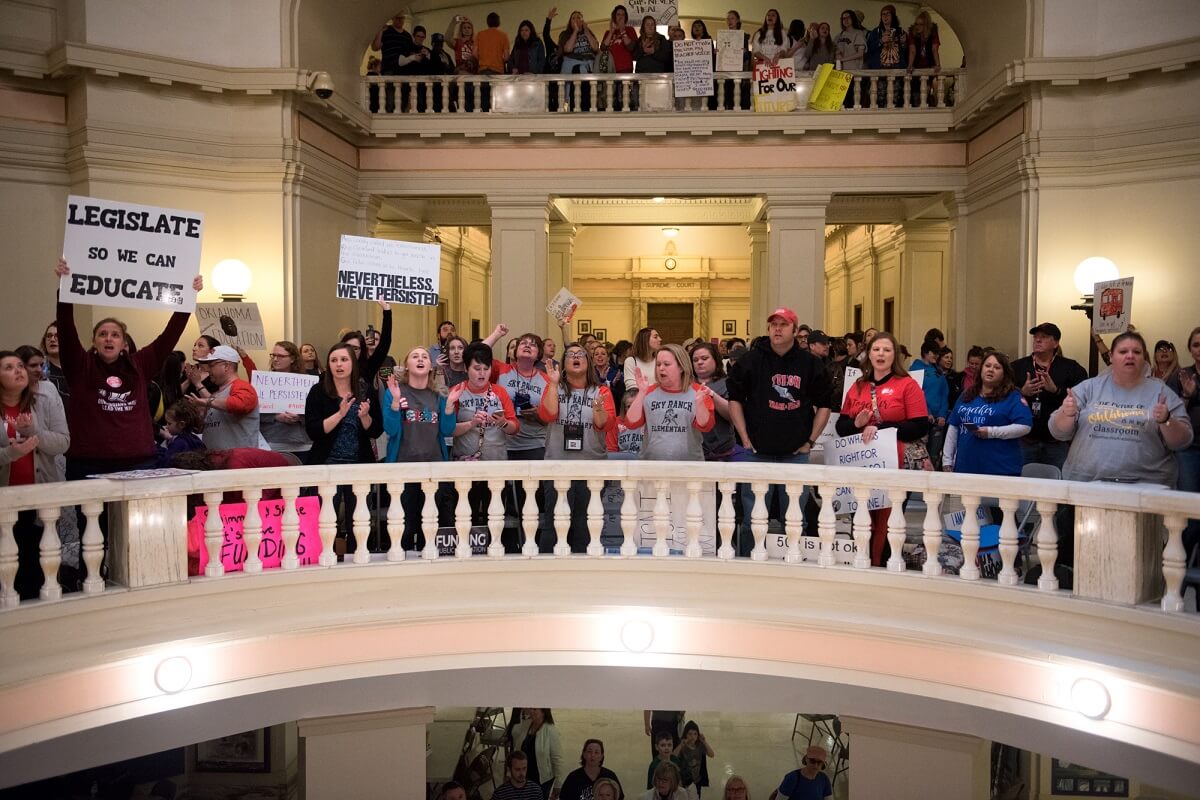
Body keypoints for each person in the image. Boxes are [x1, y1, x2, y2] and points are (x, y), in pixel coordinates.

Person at [54, 258, 202, 479]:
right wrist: (64, 290)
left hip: (138, 463)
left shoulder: (139, 364)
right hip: (88, 465)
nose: (108, 338)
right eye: (102, 334)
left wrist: (188, 298)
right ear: (94, 342)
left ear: (124, 344)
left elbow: (168, 337)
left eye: (115, 334)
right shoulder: (81, 365)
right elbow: (66, 329)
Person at [727, 309, 833, 556]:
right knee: (754, 519)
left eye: (783, 324)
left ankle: (794, 562)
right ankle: (750, 563)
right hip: (756, 453)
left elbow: (825, 405)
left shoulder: (810, 364)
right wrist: (744, 437)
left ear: (796, 332)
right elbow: (734, 399)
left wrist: (810, 441)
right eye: (773, 324)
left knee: (795, 519)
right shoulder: (751, 361)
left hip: (795, 454)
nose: (777, 329)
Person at [1050, 332, 1192, 487]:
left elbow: (1182, 441)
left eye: (1136, 352)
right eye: (1123, 351)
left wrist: (1166, 420)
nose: (1130, 356)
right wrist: (1067, 414)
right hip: (1087, 485)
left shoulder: (1161, 391)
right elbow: (1058, 432)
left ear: (1143, 357)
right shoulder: (1089, 388)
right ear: (1111, 356)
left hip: (1146, 488)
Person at [837, 332, 930, 566]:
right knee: (862, 520)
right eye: (876, 349)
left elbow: (920, 425)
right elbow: (841, 426)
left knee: (888, 523)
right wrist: (857, 425)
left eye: (887, 350)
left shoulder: (907, 385)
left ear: (894, 355)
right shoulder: (858, 387)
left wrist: (883, 429)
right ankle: (862, 564)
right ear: (869, 354)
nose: (881, 354)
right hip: (862, 464)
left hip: (895, 464)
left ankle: (883, 568)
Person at [626, 345, 716, 553]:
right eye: (658, 364)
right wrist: (640, 393)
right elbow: (631, 422)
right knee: (653, 529)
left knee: (686, 528)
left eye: (667, 364)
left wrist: (700, 404)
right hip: (651, 473)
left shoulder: (697, 392)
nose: (661, 368)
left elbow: (706, 425)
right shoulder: (649, 392)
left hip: (689, 473)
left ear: (681, 367)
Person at [1, 350, 70, 599]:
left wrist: (34, 431)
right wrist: (10, 453)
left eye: (20, 365)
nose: (19, 371)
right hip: (5, 502)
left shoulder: (39, 401)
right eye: (9, 367)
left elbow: (62, 444)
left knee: (36, 571)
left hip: (38, 497)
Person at [304, 343, 382, 553]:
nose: (339, 365)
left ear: (353, 363)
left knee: (358, 521)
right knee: (325, 520)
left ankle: (357, 558)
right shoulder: (318, 391)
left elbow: (376, 430)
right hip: (326, 465)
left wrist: (365, 416)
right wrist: (340, 414)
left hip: (358, 465)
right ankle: (323, 557)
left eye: (344, 360)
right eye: (334, 360)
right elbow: (313, 431)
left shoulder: (364, 389)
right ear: (328, 365)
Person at [538, 344, 616, 551]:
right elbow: (547, 415)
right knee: (555, 522)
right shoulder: (553, 387)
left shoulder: (602, 391)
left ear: (588, 362)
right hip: (557, 466)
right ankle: (549, 569)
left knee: (585, 524)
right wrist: (553, 384)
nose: (575, 357)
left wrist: (598, 408)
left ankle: (585, 571)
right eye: (570, 355)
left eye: (580, 354)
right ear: (563, 363)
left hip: (591, 467)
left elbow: (604, 425)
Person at [382, 347, 457, 551]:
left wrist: (449, 408)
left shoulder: (439, 395)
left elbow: (447, 431)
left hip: (433, 469)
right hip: (402, 467)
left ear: (431, 366)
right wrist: (396, 403)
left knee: (429, 526)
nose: (421, 359)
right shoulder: (395, 392)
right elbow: (390, 430)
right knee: (404, 528)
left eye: (425, 356)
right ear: (407, 365)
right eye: (415, 356)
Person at [1012, 322, 1088, 470]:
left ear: (1056, 343)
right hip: (1025, 440)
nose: (1038, 340)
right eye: (1036, 337)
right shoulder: (1016, 367)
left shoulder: (1072, 368)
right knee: (1022, 486)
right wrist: (1021, 393)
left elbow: (1081, 402)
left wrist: (1056, 391)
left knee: (1058, 486)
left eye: (1044, 337)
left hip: (1057, 442)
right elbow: (1002, 396)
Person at [943, 351, 1033, 477]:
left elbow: (1025, 426)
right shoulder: (967, 394)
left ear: (1004, 373)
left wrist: (991, 432)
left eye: (997, 367)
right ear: (981, 369)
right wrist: (947, 461)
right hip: (965, 467)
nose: (991, 370)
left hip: (1000, 469)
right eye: (987, 366)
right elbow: (953, 427)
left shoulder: (1012, 396)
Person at [184, 345, 260, 449]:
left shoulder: (242, 386)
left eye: (211, 365)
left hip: (237, 462)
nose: (208, 370)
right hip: (214, 460)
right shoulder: (217, 394)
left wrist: (207, 402)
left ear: (226, 366)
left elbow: (239, 404)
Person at [1166, 326, 1200, 561]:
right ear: (1189, 349)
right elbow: (1172, 418)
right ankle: (1180, 565)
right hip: (1190, 450)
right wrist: (1187, 395)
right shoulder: (1181, 376)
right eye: (1196, 344)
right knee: (1190, 511)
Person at [254, 341, 311, 456]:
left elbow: (315, 414)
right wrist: (276, 416)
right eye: (273, 355)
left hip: (300, 444)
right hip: (271, 442)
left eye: (280, 356)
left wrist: (299, 417)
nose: (275, 359)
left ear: (292, 359)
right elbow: (254, 412)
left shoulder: (306, 382)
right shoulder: (263, 381)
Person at [510, 708, 567, 799]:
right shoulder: (526, 724)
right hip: (525, 776)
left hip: (542, 779)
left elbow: (557, 759)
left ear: (544, 712)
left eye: (535, 709)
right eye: (530, 708)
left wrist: (558, 784)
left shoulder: (550, 730)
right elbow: (515, 738)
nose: (531, 711)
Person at [909, 340, 949, 468]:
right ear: (926, 353)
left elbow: (944, 394)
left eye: (938, 353)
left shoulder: (938, 371)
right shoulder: (915, 369)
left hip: (938, 420)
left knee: (935, 454)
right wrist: (927, 412)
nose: (936, 356)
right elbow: (916, 394)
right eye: (934, 353)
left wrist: (942, 414)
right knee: (922, 455)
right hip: (923, 418)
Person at [691, 343, 735, 462]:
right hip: (694, 453)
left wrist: (711, 395)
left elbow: (733, 415)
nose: (699, 362)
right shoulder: (686, 385)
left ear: (716, 360)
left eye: (704, 358)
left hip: (723, 453)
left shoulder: (728, 383)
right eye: (695, 360)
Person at [340, 300, 392, 388]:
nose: (351, 351)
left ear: (362, 350)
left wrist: (387, 311)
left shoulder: (368, 368)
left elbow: (385, 343)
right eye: (348, 347)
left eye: (356, 348)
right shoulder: (333, 368)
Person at [155, 400, 205, 468]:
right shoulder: (195, 439)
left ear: (181, 424)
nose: (166, 426)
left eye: (169, 423)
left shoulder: (179, 443)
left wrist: (157, 448)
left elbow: (165, 463)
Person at [906, 9, 940, 105]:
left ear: (926, 25)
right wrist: (910, 65)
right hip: (917, 65)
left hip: (928, 65)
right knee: (916, 93)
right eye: (917, 24)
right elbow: (912, 50)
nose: (918, 27)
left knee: (926, 91)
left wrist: (937, 64)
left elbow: (934, 49)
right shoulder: (912, 33)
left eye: (921, 24)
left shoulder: (933, 33)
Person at [674, 721, 712, 800]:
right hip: (684, 781)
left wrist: (704, 741)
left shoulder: (700, 745)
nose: (692, 737)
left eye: (695, 734)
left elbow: (711, 754)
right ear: (685, 734)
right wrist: (680, 745)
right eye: (690, 734)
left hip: (697, 781)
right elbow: (673, 757)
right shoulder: (682, 746)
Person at [40, 322, 70, 410]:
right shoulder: (39, 368)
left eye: (57, 335)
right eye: (49, 336)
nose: (52, 339)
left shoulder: (79, 368)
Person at [602, 5, 637, 74]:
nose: (620, 17)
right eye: (618, 14)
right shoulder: (608, 33)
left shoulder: (630, 30)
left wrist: (622, 31)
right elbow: (603, 48)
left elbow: (631, 47)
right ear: (614, 17)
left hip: (625, 68)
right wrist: (611, 32)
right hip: (610, 69)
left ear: (625, 17)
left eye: (623, 15)